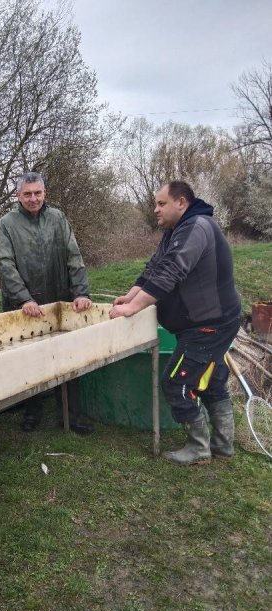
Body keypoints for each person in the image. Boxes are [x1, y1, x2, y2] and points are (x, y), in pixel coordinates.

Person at [109, 181, 241, 465]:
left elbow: (171, 271)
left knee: (176, 383)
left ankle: (199, 449)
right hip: (205, 323)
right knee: (213, 380)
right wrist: (128, 297)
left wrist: (134, 307)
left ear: (181, 202)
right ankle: (223, 446)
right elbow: (154, 267)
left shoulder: (196, 228)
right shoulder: (175, 231)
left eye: (161, 203)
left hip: (209, 325)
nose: (155, 209)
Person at [0, 171, 94, 434]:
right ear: (18, 195)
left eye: (37, 193)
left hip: (58, 297)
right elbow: (6, 264)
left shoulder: (58, 218)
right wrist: (23, 298)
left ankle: (72, 414)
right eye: (27, 194)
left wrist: (81, 292)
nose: (33, 198)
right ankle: (32, 410)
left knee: (69, 355)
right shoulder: (7, 223)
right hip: (24, 304)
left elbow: (74, 256)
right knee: (28, 359)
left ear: (44, 193)